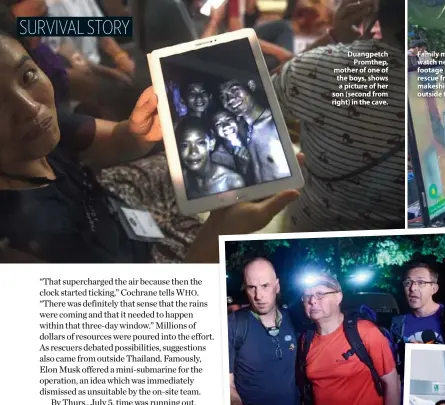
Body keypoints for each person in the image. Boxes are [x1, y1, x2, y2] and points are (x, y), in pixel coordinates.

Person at [0, 7, 300, 263]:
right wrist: (218, 235)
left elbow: (117, 139)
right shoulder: (24, 244)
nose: (30, 108)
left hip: (120, 216)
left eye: (27, 76)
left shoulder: (44, 129)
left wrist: (136, 133)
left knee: (172, 164)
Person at [272, 0, 405, 231]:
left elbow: (262, 98)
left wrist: (334, 37)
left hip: (312, 230)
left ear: (373, 8)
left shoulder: (322, 67)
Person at [298, 273, 401, 405]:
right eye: (307, 296)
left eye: (320, 293)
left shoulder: (365, 333)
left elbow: (392, 384)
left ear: (338, 297)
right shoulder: (306, 340)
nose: (312, 300)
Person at [228, 258, 307, 405]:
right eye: (252, 287)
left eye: (265, 286)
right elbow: (225, 381)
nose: (258, 296)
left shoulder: (294, 320)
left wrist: (304, 404)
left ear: (277, 286)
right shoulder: (234, 325)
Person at [220, 79, 290, 182]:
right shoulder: (243, 132)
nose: (229, 99)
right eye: (223, 96)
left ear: (251, 86)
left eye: (234, 90)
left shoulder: (275, 123)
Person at [391, 262, 445, 345]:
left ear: (434, 289)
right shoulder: (398, 323)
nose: (412, 288)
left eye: (421, 282)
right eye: (408, 283)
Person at [176, 116, 246, 198]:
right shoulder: (181, 180)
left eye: (200, 143)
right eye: (184, 145)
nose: (193, 152)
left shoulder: (233, 182)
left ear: (211, 144)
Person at [211, 109, 255, 184]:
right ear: (214, 131)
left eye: (229, 119)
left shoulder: (252, 137)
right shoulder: (217, 158)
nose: (226, 126)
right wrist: (242, 168)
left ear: (237, 119)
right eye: (218, 124)